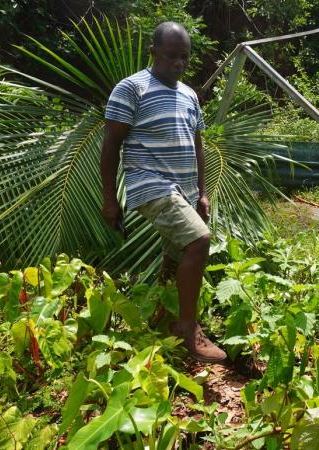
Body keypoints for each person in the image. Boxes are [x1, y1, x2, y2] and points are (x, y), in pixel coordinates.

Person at [100, 21, 226, 363]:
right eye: (171, 56)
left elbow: (197, 143)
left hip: (184, 190)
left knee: (174, 261)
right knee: (199, 240)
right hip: (150, 184)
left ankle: (162, 321)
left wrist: (202, 192)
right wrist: (110, 199)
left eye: (184, 57)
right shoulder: (132, 89)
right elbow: (111, 144)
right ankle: (189, 329)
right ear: (153, 52)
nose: (178, 64)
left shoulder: (188, 95)